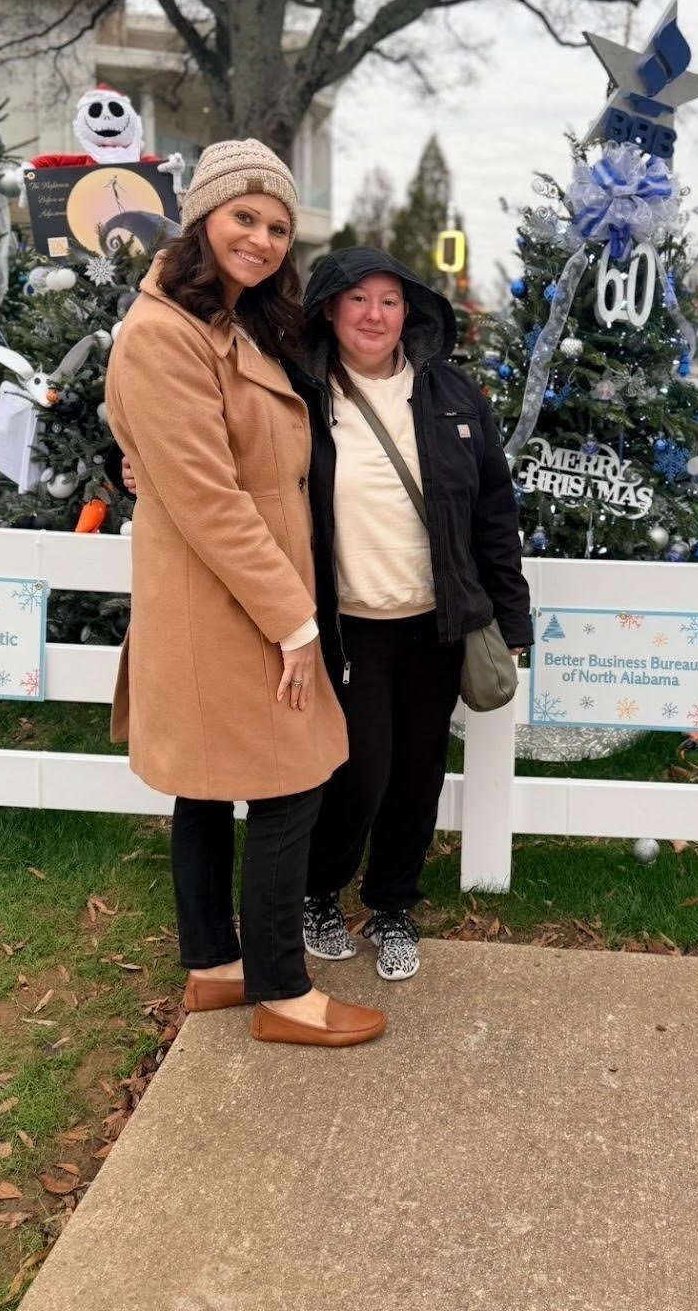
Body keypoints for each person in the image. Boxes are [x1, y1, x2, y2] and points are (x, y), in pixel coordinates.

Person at [104, 141, 386, 1048]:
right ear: (202, 219)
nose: (263, 240)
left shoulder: (233, 321)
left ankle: (214, 969)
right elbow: (213, 502)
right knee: (288, 780)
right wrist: (294, 622)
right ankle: (281, 990)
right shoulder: (163, 333)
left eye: (277, 226)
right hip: (223, 597)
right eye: (244, 219)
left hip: (234, 588)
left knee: (208, 785)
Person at [295, 248, 532, 981]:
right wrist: (131, 467)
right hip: (348, 625)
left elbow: (494, 513)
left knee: (418, 775)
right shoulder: (297, 394)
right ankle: (318, 892)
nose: (374, 315)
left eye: (390, 301)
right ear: (330, 310)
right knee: (360, 771)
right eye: (357, 300)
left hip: (436, 623)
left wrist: (512, 622)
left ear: (411, 313)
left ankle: (393, 904)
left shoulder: (453, 396)